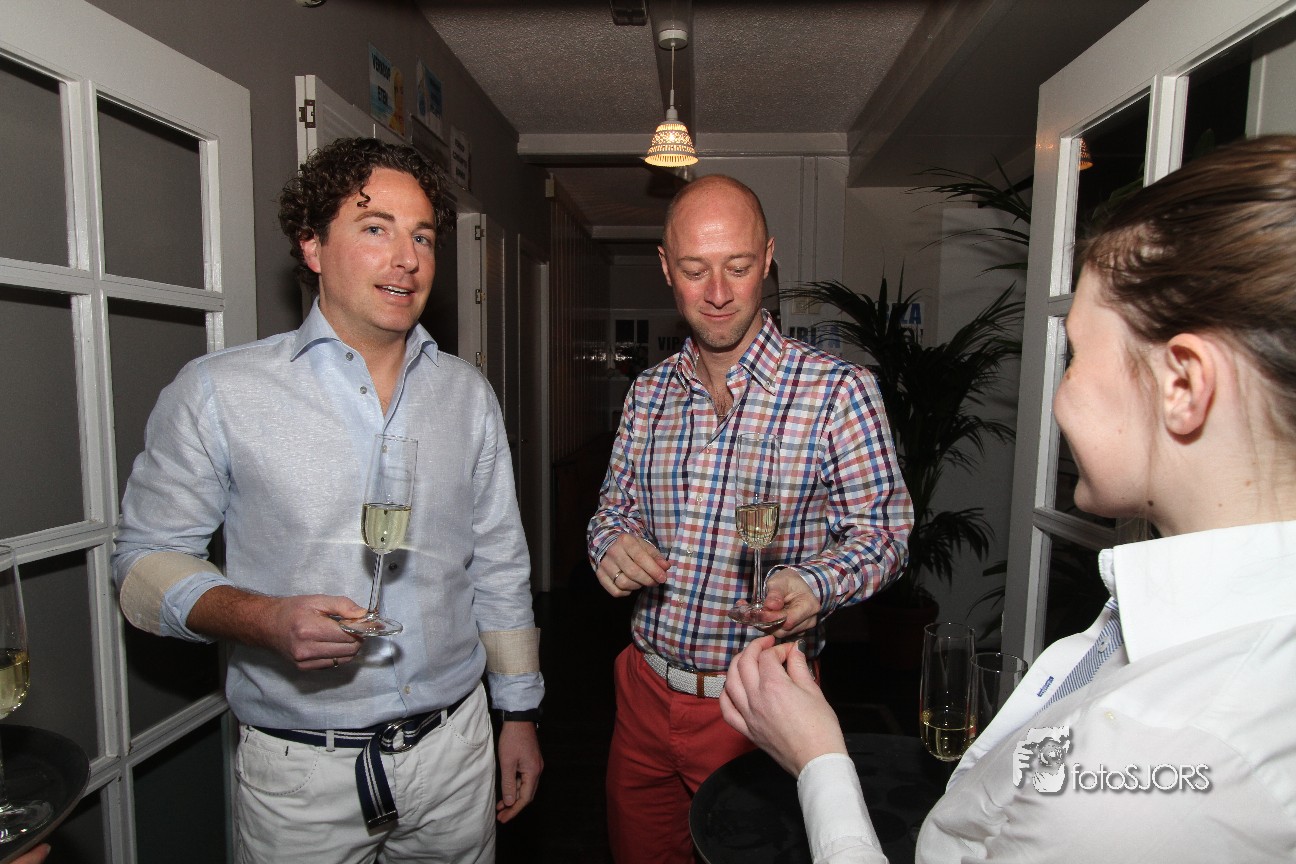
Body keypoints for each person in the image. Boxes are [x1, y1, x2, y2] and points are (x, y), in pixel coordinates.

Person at [720, 134, 1296, 862]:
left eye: (1076, 355)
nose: (1058, 396)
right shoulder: (1179, 635)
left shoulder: (1169, 756)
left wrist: (819, 762)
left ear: (1183, 385)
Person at [112, 137, 543, 863]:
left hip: (456, 752)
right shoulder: (220, 392)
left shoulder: (466, 395)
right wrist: (264, 619)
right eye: (376, 228)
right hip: (302, 773)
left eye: (422, 237)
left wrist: (519, 711)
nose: (406, 259)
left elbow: (500, 562)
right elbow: (142, 567)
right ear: (311, 245)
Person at [587, 174, 912, 864]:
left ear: (767, 258)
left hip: (764, 706)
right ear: (665, 267)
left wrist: (816, 584)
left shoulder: (838, 393)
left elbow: (885, 534)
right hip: (643, 694)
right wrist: (609, 543)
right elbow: (612, 510)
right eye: (694, 270)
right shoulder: (648, 394)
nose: (717, 292)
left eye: (737, 266)